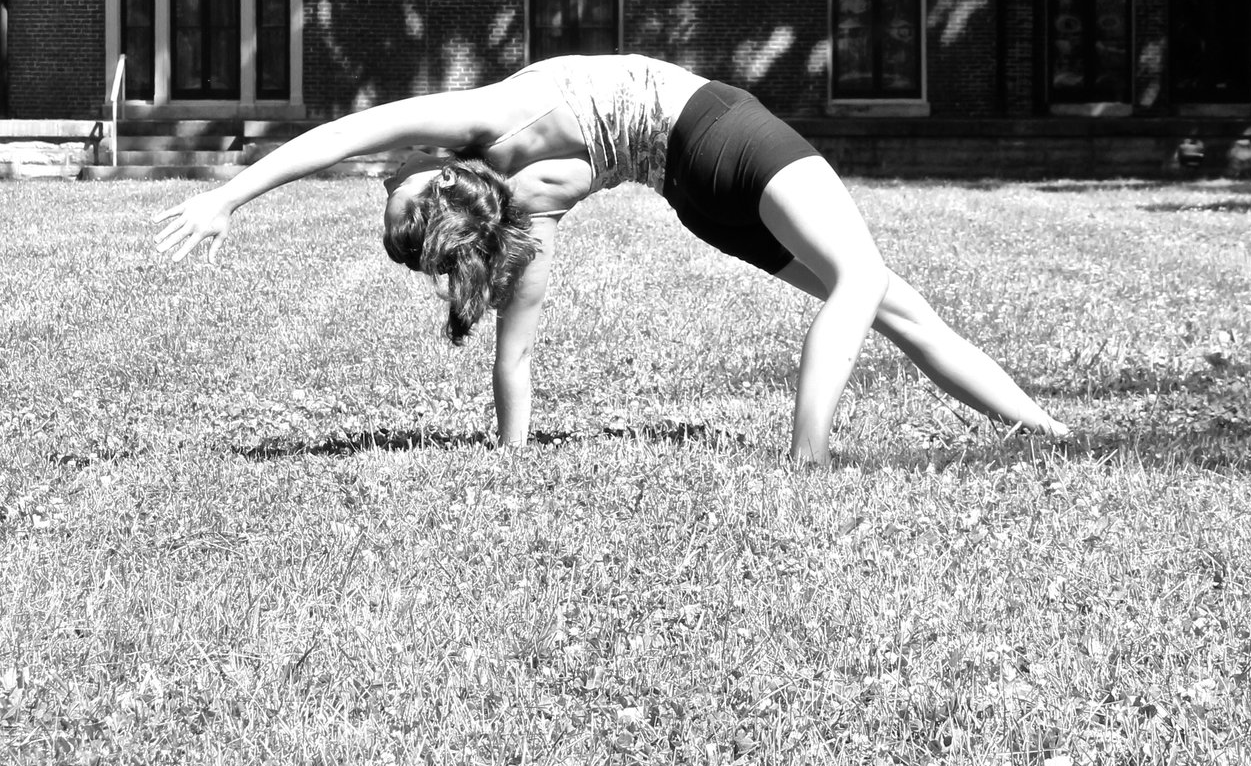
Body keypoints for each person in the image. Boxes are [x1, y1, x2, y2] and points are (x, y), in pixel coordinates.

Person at [153, 53, 1066, 465]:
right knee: (868, 284)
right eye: (400, 181)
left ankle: (1047, 435)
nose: (388, 167)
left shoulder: (522, 229)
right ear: (439, 182)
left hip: (693, 198)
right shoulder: (482, 122)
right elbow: (350, 130)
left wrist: (510, 463)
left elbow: (515, 363)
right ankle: (810, 460)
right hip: (713, 132)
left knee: (891, 304)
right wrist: (228, 195)